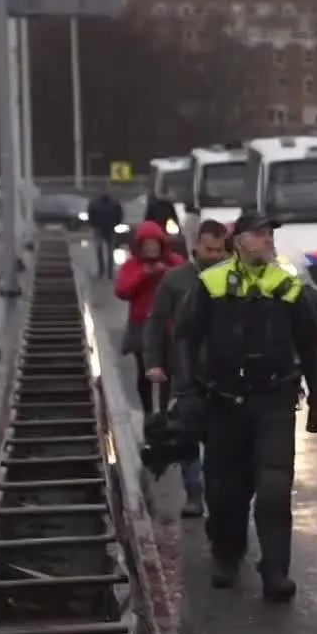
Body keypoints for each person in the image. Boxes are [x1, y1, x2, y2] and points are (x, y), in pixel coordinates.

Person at [170, 213, 317, 601]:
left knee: (274, 488)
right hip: (223, 401)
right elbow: (186, 338)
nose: (267, 239)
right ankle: (226, 555)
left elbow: (310, 344)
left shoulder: (287, 286)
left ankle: (275, 570)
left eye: (270, 234)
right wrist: (187, 390)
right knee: (226, 489)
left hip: (274, 398)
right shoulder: (211, 284)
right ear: (237, 240)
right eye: (260, 233)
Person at [140, 219, 229, 518]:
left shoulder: (233, 278)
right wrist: (153, 362)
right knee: (187, 434)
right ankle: (194, 493)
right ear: (196, 246)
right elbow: (155, 320)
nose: (214, 255)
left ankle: (221, 492)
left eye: (220, 250)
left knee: (222, 436)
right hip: (186, 370)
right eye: (209, 249)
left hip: (225, 371)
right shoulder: (176, 280)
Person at [116, 220, 185, 416]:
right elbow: (122, 291)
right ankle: (147, 413)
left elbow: (186, 283)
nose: (150, 249)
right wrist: (144, 276)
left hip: (169, 324)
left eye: (154, 244)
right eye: (146, 245)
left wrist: (166, 274)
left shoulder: (174, 262)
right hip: (141, 325)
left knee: (168, 371)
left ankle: (164, 412)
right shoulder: (132, 266)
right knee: (144, 371)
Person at [86, 191, 124, 277]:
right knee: (109, 251)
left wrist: (93, 224)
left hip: (100, 228)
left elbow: (90, 215)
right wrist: (116, 223)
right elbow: (120, 215)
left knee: (100, 250)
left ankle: (102, 270)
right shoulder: (114, 203)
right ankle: (108, 271)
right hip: (108, 228)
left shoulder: (95, 203)